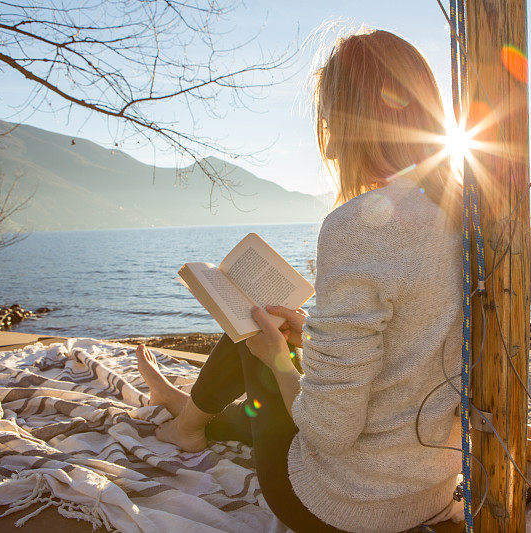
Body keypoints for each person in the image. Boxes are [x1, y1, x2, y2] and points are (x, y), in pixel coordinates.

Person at [137, 28, 465, 532]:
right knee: (269, 327)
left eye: (328, 121)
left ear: (354, 123)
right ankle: (190, 411)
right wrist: (313, 337)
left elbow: (327, 431)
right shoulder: (468, 218)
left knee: (253, 328)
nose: (328, 142)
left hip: (339, 509)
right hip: (426, 491)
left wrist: (277, 358)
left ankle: (187, 424)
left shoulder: (360, 225)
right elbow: (407, 354)